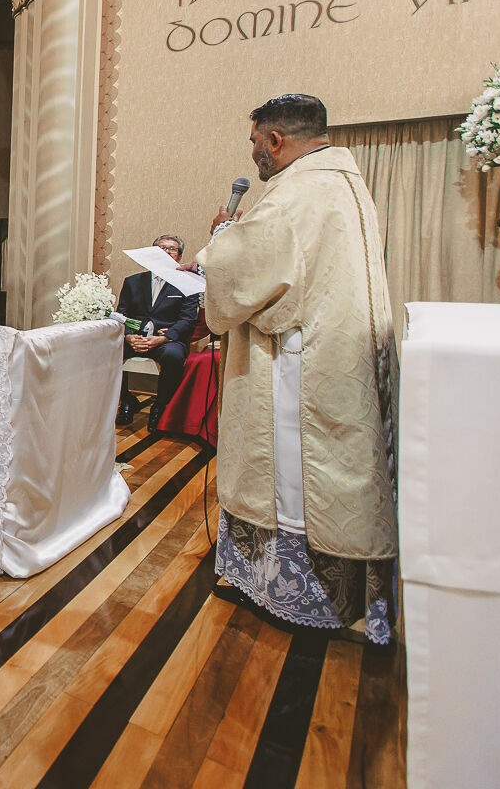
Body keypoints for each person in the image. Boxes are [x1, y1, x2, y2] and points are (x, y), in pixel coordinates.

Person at [194, 93, 397, 644]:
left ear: (276, 141)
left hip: (296, 367)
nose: (255, 154)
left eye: (255, 143)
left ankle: (293, 588)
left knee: (290, 474)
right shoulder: (343, 181)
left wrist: (218, 243)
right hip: (338, 354)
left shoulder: (293, 194)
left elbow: (245, 276)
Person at [114, 234, 199, 431]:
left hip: (167, 339)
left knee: (174, 356)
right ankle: (126, 401)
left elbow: (188, 319)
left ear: (179, 257)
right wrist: (128, 334)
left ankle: (160, 407)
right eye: (161, 248)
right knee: (106, 351)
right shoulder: (133, 282)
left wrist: (163, 338)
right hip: (135, 338)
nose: (166, 252)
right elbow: (122, 313)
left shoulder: (188, 283)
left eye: (172, 249)